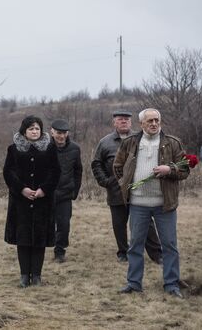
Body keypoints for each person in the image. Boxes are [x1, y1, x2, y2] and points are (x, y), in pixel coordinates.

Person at [114, 108, 189, 298]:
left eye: (157, 120)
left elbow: (185, 169)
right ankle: (133, 283)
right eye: (150, 121)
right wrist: (125, 184)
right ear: (142, 124)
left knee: (169, 245)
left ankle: (171, 284)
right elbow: (117, 166)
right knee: (135, 245)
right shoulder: (130, 143)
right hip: (138, 204)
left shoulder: (173, 143)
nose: (154, 124)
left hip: (164, 205)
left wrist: (169, 169)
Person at [91, 110, 162, 263]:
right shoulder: (105, 142)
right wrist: (106, 181)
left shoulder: (141, 138)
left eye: (127, 119)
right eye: (120, 119)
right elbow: (96, 164)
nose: (124, 122)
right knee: (119, 224)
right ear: (114, 122)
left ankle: (157, 254)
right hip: (116, 190)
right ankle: (123, 252)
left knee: (146, 223)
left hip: (138, 190)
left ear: (132, 122)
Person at [4, 115, 61, 287]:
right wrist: (22, 189)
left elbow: (55, 172)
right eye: (31, 129)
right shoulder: (13, 149)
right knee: (23, 239)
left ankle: (36, 275)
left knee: (39, 240)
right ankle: (23, 276)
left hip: (43, 202)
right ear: (24, 131)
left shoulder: (50, 148)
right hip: (20, 202)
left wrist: (44, 189)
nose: (34, 131)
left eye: (37, 128)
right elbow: (8, 172)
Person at [50, 119, 82, 263]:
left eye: (63, 133)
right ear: (52, 132)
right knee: (44, 224)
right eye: (58, 133)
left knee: (64, 225)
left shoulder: (75, 149)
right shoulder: (44, 147)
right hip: (46, 194)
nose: (61, 136)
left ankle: (60, 251)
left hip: (65, 194)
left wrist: (74, 191)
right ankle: (37, 249)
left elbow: (78, 171)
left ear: (67, 133)